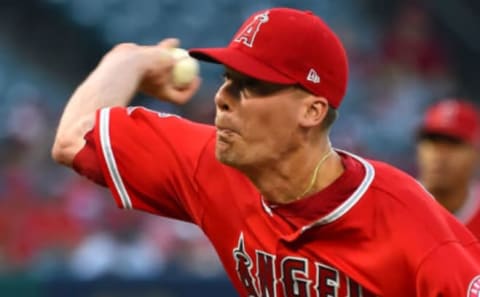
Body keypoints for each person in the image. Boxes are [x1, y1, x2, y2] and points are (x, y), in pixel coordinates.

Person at [51, 7, 480, 297]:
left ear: (311, 110)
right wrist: (131, 61)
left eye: (250, 86)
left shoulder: (418, 234)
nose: (222, 98)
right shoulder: (209, 164)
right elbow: (73, 139)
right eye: (226, 79)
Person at [417, 99, 480, 237]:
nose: (440, 155)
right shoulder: (393, 206)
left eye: (453, 143)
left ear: (476, 153)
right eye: (433, 141)